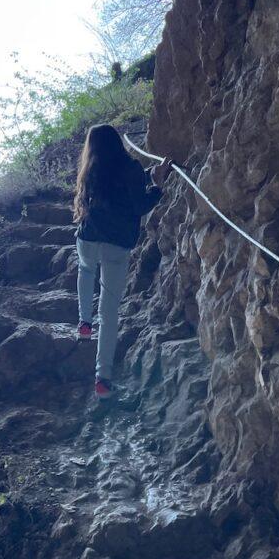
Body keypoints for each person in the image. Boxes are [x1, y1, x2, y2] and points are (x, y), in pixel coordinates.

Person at [73, 124, 171, 399]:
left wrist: (147, 177)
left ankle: (83, 322)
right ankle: (102, 378)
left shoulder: (89, 169)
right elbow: (139, 203)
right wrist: (157, 186)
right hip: (117, 244)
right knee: (110, 311)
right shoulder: (130, 167)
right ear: (118, 142)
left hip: (89, 239)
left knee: (85, 269)